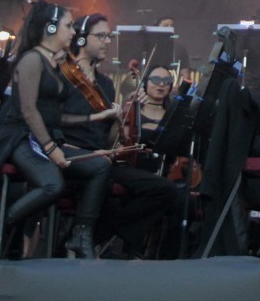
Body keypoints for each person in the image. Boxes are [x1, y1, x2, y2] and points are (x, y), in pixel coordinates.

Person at [0, 1, 114, 259]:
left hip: (43, 136)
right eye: (67, 26)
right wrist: (52, 149)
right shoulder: (31, 60)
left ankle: (81, 233)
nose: (73, 32)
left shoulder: (54, 64)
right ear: (50, 28)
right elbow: (29, 111)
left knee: (100, 165)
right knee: (53, 185)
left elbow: (56, 116)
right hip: (20, 138)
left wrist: (99, 115)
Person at [58, 14, 175, 258]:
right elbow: (53, 121)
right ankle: (99, 239)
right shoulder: (62, 76)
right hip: (70, 156)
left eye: (109, 36)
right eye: (101, 36)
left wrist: (123, 116)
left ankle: (102, 234)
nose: (107, 41)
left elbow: (110, 138)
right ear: (80, 38)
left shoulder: (105, 84)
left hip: (102, 158)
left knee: (164, 189)